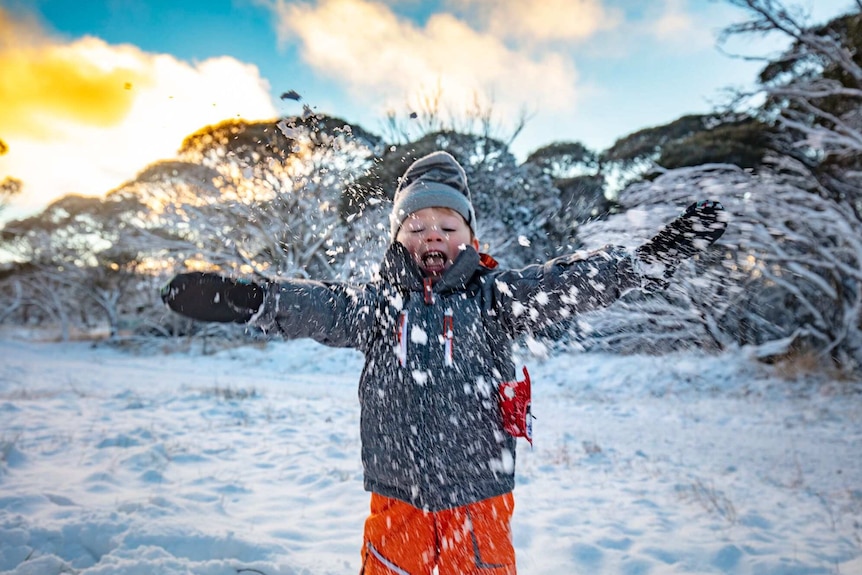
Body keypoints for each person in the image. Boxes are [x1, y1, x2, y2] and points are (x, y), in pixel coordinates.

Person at [161, 151, 727, 574]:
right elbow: (320, 307)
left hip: (479, 493)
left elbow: (571, 283)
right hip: (397, 492)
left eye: (448, 226)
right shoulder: (377, 306)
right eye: (417, 225)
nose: (433, 234)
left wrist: (647, 261)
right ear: (398, 237)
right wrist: (250, 298)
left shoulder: (497, 296)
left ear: (470, 237)